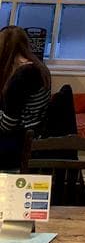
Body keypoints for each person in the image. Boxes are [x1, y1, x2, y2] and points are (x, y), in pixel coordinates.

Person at [0, 26, 51, 170]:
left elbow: (7, 125)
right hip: (34, 135)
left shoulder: (22, 76)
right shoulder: (39, 68)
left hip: (19, 143)